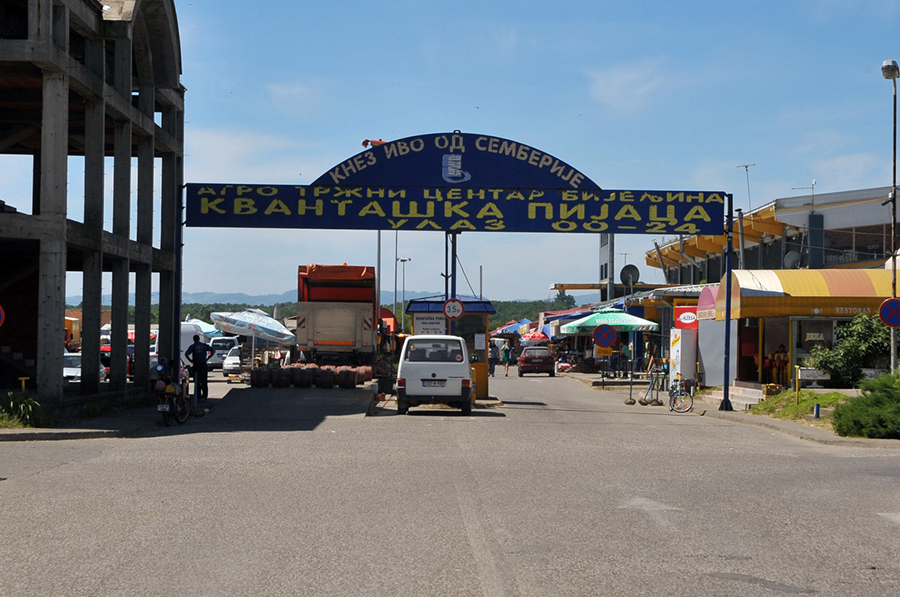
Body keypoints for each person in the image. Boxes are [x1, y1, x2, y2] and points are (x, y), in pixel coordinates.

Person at [184, 334, 215, 405]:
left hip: (196, 364)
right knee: (204, 381)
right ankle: (204, 396)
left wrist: (191, 360)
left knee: (197, 381)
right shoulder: (204, 345)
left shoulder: (193, 346)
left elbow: (186, 353)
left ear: (194, 339)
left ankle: (198, 396)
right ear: (199, 339)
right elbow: (213, 351)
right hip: (203, 364)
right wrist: (208, 358)